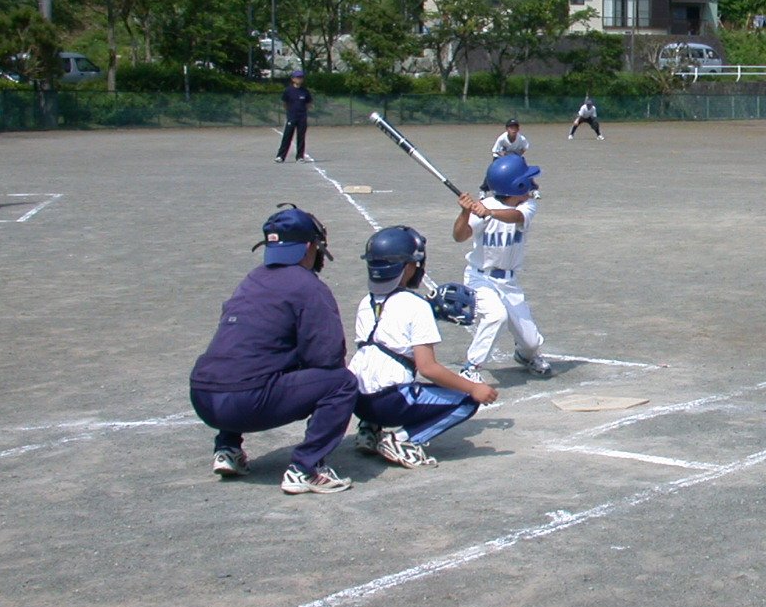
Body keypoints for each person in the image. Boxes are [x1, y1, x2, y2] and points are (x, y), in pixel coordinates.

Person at [188, 206, 357, 494]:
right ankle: (306, 468)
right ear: (308, 247)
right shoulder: (309, 287)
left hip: (203, 395)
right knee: (342, 383)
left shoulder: (252, 279)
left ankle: (227, 449)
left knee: (247, 363)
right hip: (246, 401)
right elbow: (327, 358)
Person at [348, 226, 499, 469]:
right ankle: (402, 440)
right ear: (407, 267)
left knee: (376, 367)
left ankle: (368, 430)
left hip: (357, 401)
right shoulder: (417, 306)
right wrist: (473, 387)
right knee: (466, 401)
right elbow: (428, 368)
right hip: (391, 402)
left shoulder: (365, 302)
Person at [454, 154, 553, 381]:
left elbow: (515, 216)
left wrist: (489, 213)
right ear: (514, 186)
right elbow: (459, 236)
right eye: (526, 182)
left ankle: (525, 355)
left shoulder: (527, 206)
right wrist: (465, 212)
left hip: (508, 282)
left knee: (531, 342)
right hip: (480, 279)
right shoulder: (483, 207)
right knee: (496, 316)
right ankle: (471, 367)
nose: (532, 185)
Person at [275, 70, 314, 163]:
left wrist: (303, 112)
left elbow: (309, 103)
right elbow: (284, 103)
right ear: (293, 79)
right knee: (287, 136)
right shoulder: (288, 90)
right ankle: (280, 156)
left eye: (301, 77)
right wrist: (290, 112)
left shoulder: (305, 91)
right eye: (297, 77)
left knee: (301, 137)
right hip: (292, 116)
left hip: (302, 117)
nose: (299, 79)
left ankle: (300, 157)